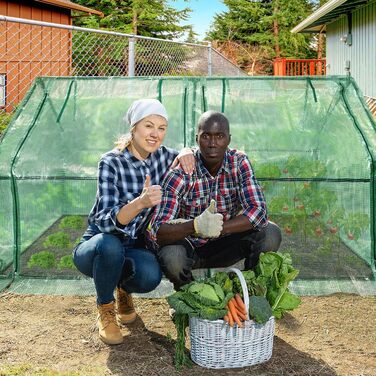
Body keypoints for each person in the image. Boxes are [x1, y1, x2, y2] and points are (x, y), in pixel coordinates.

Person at [73, 99, 194, 345]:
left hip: (134, 244)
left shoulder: (163, 158)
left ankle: (123, 290)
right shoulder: (111, 161)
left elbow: (195, 155)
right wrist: (140, 203)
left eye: (162, 128)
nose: (155, 134)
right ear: (134, 128)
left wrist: (187, 151)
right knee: (110, 246)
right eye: (149, 126)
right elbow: (106, 221)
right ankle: (105, 308)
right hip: (98, 243)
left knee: (150, 277)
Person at [147, 110, 282, 291]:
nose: (212, 144)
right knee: (172, 255)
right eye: (206, 136)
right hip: (190, 247)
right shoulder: (180, 173)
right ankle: (189, 296)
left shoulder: (239, 163)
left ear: (229, 139)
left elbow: (258, 212)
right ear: (197, 139)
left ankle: (248, 291)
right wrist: (197, 226)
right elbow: (159, 230)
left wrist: (219, 228)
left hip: (225, 245)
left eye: (219, 136)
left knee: (270, 232)